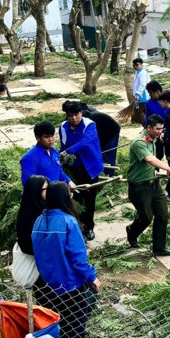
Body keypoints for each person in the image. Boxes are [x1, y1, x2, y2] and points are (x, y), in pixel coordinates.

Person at [31, 181, 101, 338]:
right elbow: (77, 256)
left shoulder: (39, 220)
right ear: (64, 196)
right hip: (69, 279)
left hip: (47, 280)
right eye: (69, 193)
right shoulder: (68, 221)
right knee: (77, 313)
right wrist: (91, 276)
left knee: (59, 315)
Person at [126, 114, 170, 256]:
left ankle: (159, 248)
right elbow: (150, 159)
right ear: (148, 127)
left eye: (162, 129)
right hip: (139, 187)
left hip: (154, 183)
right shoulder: (139, 142)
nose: (160, 132)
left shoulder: (152, 139)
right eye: (157, 129)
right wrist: (167, 168)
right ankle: (132, 231)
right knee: (146, 218)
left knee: (162, 215)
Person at [60, 101, 105, 241]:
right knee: (77, 199)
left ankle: (89, 227)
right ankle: (79, 227)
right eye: (71, 115)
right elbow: (63, 145)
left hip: (91, 167)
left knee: (89, 199)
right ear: (67, 116)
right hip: (74, 168)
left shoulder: (89, 125)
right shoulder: (63, 127)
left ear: (81, 113)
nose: (74, 118)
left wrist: (68, 151)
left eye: (76, 114)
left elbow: (85, 142)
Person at [20, 121, 76, 189]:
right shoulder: (30, 158)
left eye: (52, 136)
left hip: (55, 195)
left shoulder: (54, 152)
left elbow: (59, 171)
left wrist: (69, 182)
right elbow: (27, 183)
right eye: (47, 137)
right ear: (38, 138)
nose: (51, 140)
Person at [81, 103, 121, 177]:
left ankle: (109, 176)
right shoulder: (82, 116)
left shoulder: (89, 120)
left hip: (111, 132)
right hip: (102, 130)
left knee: (108, 155)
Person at [16, 175, 48, 256]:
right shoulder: (31, 214)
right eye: (45, 189)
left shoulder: (43, 206)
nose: (48, 192)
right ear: (35, 191)